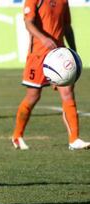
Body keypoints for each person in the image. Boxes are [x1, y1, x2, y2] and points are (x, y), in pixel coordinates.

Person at [11, 0, 90, 150]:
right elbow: (28, 23)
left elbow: (66, 26)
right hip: (39, 56)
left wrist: (74, 51)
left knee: (68, 93)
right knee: (33, 96)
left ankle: (74, 139)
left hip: (60, 56)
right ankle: (17, 135)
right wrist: (43, 38)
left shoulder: (63, 1)